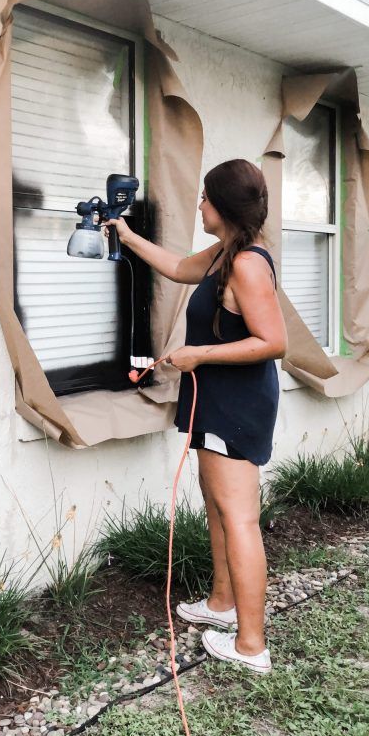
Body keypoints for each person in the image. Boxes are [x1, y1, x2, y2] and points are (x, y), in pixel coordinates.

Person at [107, 159, 287, 673]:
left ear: (223, 207)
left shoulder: (248, 264)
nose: (198, 203)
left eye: (205, 197)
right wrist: (126, 234)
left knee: (239, 517)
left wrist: (198, 354)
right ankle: (222, 606)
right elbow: (179, 268)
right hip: (216, 398)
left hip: (235, 403)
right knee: (217, 506)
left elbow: (274, 342)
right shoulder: (224, 253)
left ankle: (252, 645)